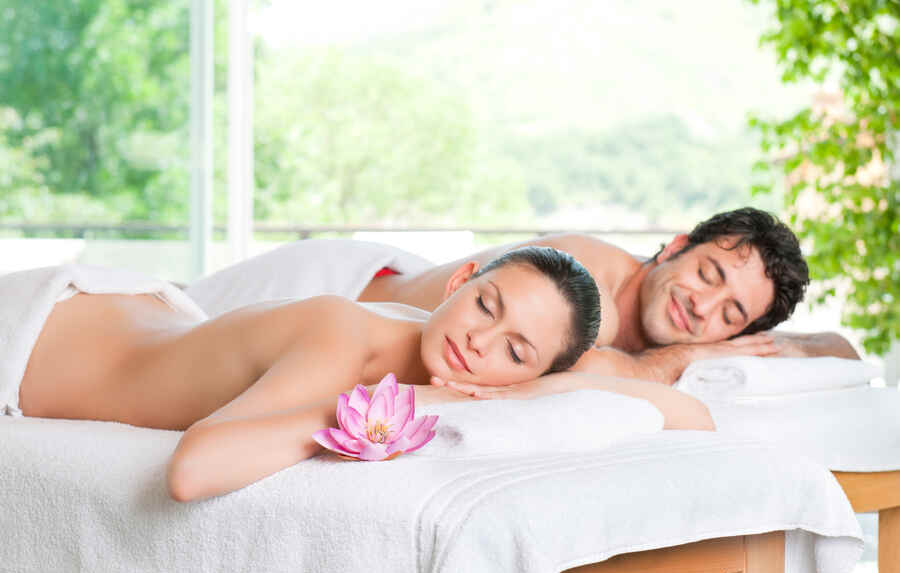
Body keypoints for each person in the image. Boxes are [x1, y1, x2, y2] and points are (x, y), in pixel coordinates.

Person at [16, 246, 711, 503]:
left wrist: (559, 384)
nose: (479, 341)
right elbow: (193, 471)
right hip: (35, 333)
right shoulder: (345, 338)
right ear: (460, 282)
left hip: (139, 314)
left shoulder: (486, 365)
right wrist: (379, 408)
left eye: (516, 351)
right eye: (485, 305)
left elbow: (695, 419)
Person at [187, 207, 859, 385]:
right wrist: (689, 356)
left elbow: (845, 351)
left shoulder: (687, 327)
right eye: (709, 273)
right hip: (332, 288)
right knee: (164, 329)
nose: (702, 307)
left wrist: (771, 346)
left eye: (731, 314)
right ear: (677, 246)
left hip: (373, 319)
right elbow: (594, 372)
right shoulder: (589, 283)